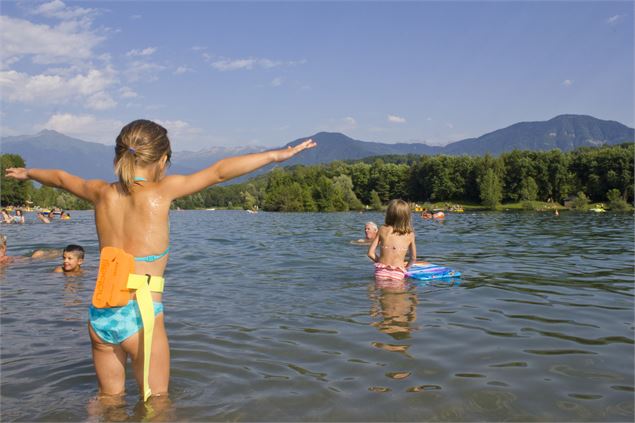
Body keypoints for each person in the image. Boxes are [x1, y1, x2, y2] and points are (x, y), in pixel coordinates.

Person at [5, 119, 315, 402]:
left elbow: (60, 178)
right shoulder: (163, 191)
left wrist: (28, 173)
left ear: (119, 157)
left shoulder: (100, 192)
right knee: (157, 406)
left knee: (106, 402)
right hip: (142, 315)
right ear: (163, 160)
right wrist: (276, 155)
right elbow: (220, 171)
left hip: (100, 313)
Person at [368, 199, 417, 282]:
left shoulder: (382, 229)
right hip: (398, 274)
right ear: (406, 217)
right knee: (398, 294)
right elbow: (413, 258)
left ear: (389, 214)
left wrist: (381, 263)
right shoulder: (410, 234)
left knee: (381, 293)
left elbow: (370, 253)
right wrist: (406, 268)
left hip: (381, 272)